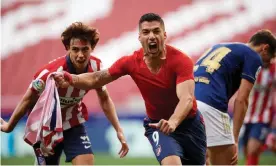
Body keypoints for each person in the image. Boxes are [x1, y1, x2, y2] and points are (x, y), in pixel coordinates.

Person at [54, 13, 206, 165]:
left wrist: (173, 122)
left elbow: (186, 98)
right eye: (146, 32)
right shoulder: (130, 62)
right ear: (139, 37)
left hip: (190, 125)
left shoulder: (181, 60)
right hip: (158, 126)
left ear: (164, 35)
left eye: (156, 31)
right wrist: (72, 78)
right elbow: (96, 78)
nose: (151, 36)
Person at [0, 22, 129, 165]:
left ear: (92, 48)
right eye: (75, 49)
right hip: (47, 127)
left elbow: (104, 98)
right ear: (68, 48)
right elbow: (27, 100)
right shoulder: (50, 73)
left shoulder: (96, 67)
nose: (80, 55)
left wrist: (118, 129)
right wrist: (9, 126)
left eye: (85, 49)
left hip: (73, 123)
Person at [193, 29, 276, 165]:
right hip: (211, 105)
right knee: (229, 161)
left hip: (189, 103)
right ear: (264, 48)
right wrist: (235, 139)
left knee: (205, 158)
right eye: (269, 58)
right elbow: (241, 99)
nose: (267, 63)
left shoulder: (219, 46)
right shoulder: (253, 56)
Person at [242, 59, 275, 165]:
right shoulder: (250, 68)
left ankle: (267, 143)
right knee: (247, 152)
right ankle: (268, 143)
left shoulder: (273, 70)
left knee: (252, 149)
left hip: (263, 117)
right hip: (247, 117)